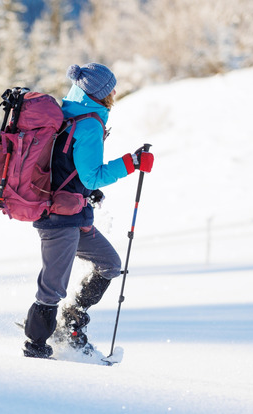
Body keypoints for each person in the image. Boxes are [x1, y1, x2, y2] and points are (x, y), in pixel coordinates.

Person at [22, 63, 154, 358]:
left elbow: (66, 165)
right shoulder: (89, 123)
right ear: (100, 93)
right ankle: (35, 346)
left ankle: (71, 322)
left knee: (109, 263)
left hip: (72, 213)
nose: (115, 92)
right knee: (53, 287)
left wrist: (88, 192)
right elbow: (91, 174)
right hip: (60, 219)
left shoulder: (67, 111)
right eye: (111, 88)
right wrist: (130, 163)